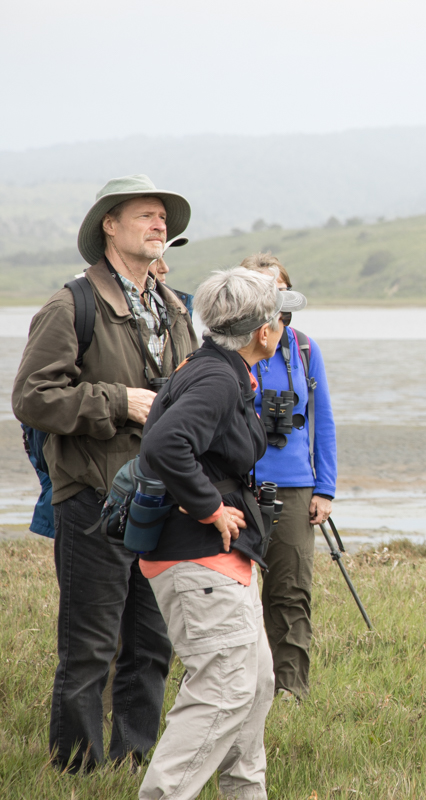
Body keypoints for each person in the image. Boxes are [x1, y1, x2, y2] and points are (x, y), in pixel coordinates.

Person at [11, 174, 198, 772]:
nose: (159, 224)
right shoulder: (71, 304)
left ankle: (135, 761)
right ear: (108, 228)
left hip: (159, 500)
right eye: (145, 215)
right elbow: (33, 397)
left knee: (152, 643)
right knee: (89, 646)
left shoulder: (174, 308)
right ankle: (75, 768)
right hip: (92, 496)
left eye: (163, 217)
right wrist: (118, 401)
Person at [137, 267, 307, 800]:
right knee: (222, 693)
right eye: (280, 316)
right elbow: (164, 445)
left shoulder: (214, 366)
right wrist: (211, 507)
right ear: (265, 332)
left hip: (215, 564)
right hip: (198, 563)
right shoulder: (215, 378)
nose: (283, 324)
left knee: (255, 688)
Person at [242, 252, 337, 702]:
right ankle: (238, 685)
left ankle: (291, 691)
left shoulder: (304, 348)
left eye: (277, 287)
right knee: (233, 591)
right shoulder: (230, 347)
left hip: (296, 486)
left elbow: (323, 421)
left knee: (291, 590)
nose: (270, 296)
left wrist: (325, 489)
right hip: (240, 484)